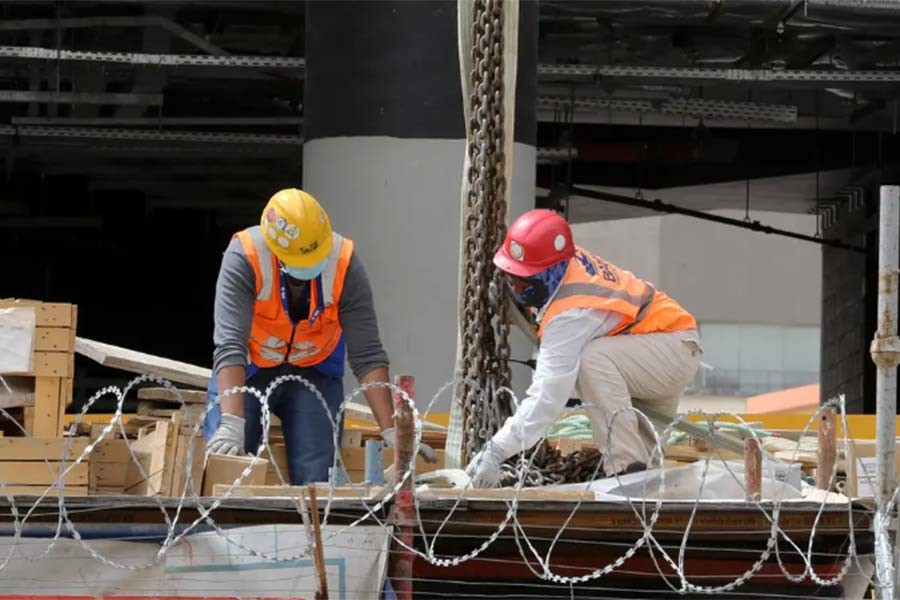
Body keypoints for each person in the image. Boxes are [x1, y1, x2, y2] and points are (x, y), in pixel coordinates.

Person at [205, 188, 436, 484]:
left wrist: (391, 428)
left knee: (318, 480)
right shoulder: (246, 256)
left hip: (315, 371)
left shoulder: (344, 263)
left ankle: (309, 531)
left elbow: (367, 355)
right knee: (228, 466)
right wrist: (232, 423)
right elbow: (230, 345)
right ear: (276, 251)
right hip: (249, 368)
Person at [466, 209, 701, 487]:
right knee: (649, 473)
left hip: (667, 349)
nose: (516, 287)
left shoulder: (573, 312)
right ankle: (640, 487)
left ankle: (626, 470)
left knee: (592, 360)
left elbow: (546, 398)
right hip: (654, 347)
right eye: (510, 276)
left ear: (550, 271)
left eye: (525, 279)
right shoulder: (561, 264)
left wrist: (497, 450)